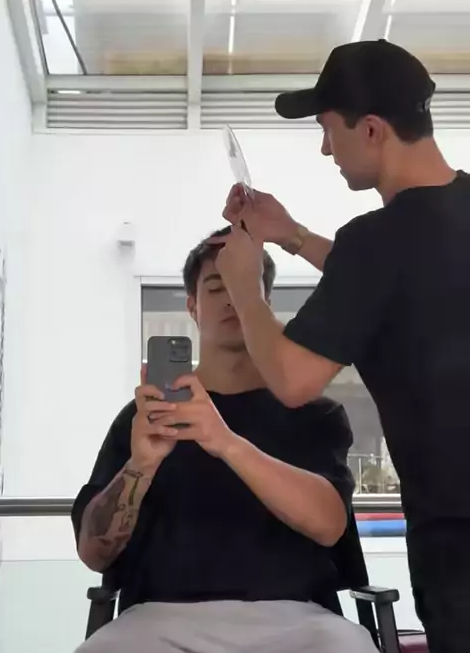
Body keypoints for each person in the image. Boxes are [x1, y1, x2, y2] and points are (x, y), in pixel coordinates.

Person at [216, 39, 470, 653]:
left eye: (329, 130)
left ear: (373, 130)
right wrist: (293, 236)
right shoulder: (434, 224)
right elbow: (403, 283)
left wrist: (244, 286)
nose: (326, 149)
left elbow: (292, 380)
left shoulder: (375, 241)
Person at [72, 228, 375, 653]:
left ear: (263, 302)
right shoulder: (142, 419)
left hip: (296, 620)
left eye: (242, 286)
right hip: (159, 619)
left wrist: (225, 442)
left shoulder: (313, 413)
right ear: (192, 308)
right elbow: (94, 553)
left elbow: (328, 525)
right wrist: (140, 465)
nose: (231, 298)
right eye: (216, 288)